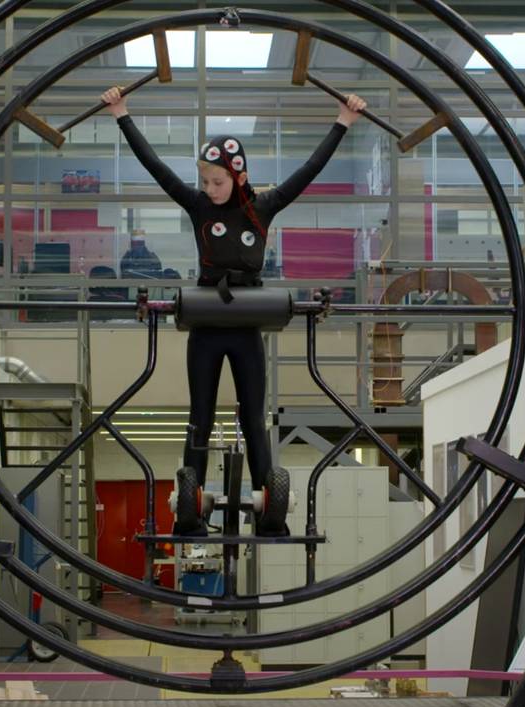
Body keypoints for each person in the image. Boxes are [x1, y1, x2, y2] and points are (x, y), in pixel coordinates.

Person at [101, 85, 367, 536]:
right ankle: (190, 512)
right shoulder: (199, 206)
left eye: (217, 182)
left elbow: (307, 173)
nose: (210, 189)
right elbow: (157, 169)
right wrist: (122, 114)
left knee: (253, 416)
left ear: (238, 175)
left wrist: (343, 121)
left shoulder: (262, 208)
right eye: (205, 182)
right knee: (199, 415)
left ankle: (270, 512)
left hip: (245, 325)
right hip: (206, 323)